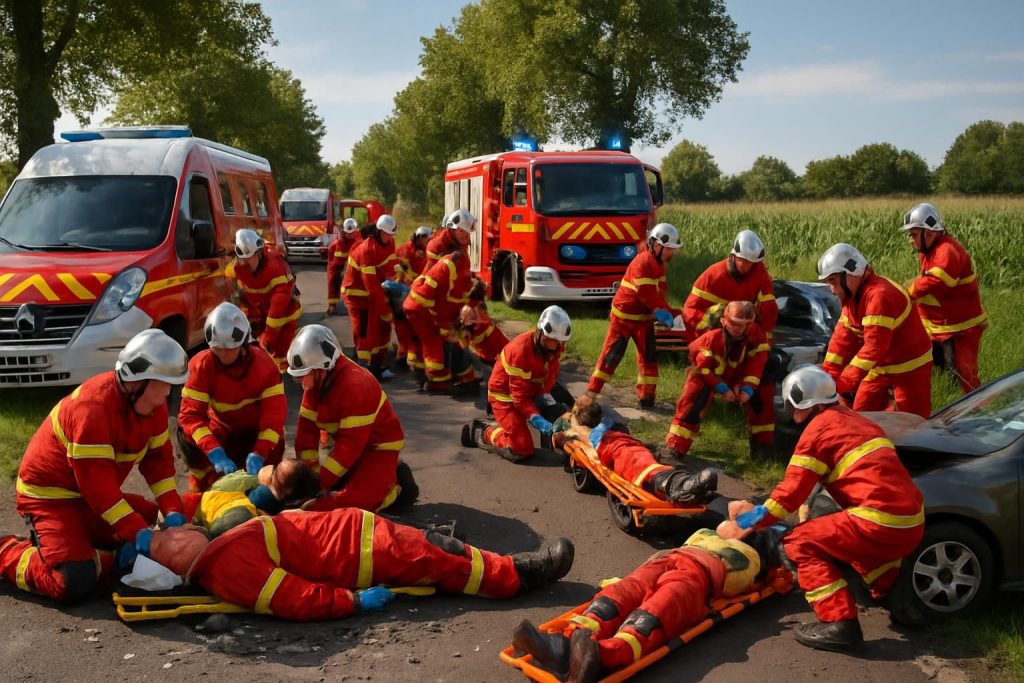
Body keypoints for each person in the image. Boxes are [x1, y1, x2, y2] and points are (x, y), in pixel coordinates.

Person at [721, 365, 924, 652]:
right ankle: (903, 604)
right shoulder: (859, 421)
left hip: (876, 520)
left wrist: (748, 520)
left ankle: (839, 624)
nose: (792, 413)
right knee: (859, 546)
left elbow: (787, 497)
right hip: (911, 521)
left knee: (797, 543)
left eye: (793, 406)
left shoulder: (819, 430)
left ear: (805, 403)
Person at [0, 329, 188, 603]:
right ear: (138, 381)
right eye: (165, 383)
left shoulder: (152, 406)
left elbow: (157, 463)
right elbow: (98, 490)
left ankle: (97, 553)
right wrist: (137, 534)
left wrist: (171, 509)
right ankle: (8, 551)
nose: (170, 392)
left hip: (89, 497)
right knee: (72, 580)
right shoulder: (92, 411)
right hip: (50, 499)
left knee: (150, 517)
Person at [145, 509, 575, 621]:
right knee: (441, 555)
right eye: (167, 535)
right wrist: (351, 601)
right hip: (356, 551)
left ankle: (503, 567)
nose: (175, 528)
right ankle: (520, 576)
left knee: (436, 547)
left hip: (354, 534)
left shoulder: (222, 550)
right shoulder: (227, 568)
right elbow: (294, 599)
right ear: (177, 555)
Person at [510, 522, 788, 682]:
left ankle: (601, 655)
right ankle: (562, 644)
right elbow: (735, 513)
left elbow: (737, 580)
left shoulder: (748, 556)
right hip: (667, 560)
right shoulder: (709, 533)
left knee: (652, 615)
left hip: (699, 578)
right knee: (618, 595)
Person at [287, 324, 408, 512]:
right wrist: (308, 478)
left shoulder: (357, 386)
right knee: (323, 495)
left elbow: (350, 446)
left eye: (303, 376)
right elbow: (305, 435)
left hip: (378, 449)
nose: (300, 383)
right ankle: (382, 477)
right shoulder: (317, 383)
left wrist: (320, 484)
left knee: (352, 505)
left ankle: (394, 488)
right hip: (343, 445)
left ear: (322, 369)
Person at [176, 303, 287, 492]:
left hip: (254, 433)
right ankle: (198, 496)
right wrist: (214, 451)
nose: (223, 354)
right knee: (187, 439)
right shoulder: (201, 366)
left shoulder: (264, 366)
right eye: (217, 349)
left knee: (272, 460)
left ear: (243, 343)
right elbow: (190, 416)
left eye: (229, 349)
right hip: (220, 432)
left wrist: (260, 452)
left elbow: (273, 418)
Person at [818, 243, 933, 417]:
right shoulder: (853, 298)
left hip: (909, 369)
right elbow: (841, 340)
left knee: (911, 421)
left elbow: (874, 347)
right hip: (881, 367)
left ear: (851, 274)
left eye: (833, 281)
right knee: (861, 413)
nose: (832, 290)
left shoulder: (879, 296)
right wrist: (827, 377)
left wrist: (843, 383)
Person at [586, 223, 682, 408]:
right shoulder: (643, 262)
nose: (671, 253)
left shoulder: (659, 265)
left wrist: (671, 312)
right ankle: (590, 395)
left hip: (644, 321)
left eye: (672, 249)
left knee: (649, 360)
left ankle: (647, 399)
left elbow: (660, 294)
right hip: (623, 320)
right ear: (655, 245)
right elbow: (647, 294)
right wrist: (662, 313)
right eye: (668, 248)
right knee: (610, 357)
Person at [557, 395, 718, 505]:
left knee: (647, 456)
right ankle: (675, 485)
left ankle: (681, 482)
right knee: (637, 459)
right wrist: (573, 421)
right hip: (615, 448)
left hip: (625, 442)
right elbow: (577, 432)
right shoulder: (585, 431)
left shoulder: (603, 422)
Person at [667, 301, 775, 459]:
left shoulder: (755, 334)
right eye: (735, 324)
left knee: (763, 398)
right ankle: (677, 445)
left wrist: (747, 388)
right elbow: (704, 369)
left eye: (746, 324)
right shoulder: (710, 339)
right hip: (708, 375)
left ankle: (762, 449)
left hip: (737, 375)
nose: (741, 329)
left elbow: (757, 364)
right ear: (724, 321)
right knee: (694, 397)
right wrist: (723, 388)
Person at [462, 306, 570, 461]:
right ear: (539, 332)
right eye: (548, 341)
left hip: (532, 392)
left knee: (560, 414)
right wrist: (536, 418)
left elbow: (548, 375)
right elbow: (519, 399)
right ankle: (483, 430)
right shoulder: (519, 352)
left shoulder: (555, 345)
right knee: (521, 448)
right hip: (505, 397)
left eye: (557, 342)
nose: (552, 346)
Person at [901, 203, 987, 392]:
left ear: (929, 233)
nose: (911, 240)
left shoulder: (946, 250)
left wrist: (907, 292)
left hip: (960, 329)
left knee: (965, 377)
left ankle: (979, 413)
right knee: (935, 371)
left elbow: (936, 281)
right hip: (939, 325)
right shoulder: (930, 249)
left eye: (914, 234)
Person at [403, 212, 478, 392]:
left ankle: (425, 375)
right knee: (433, 342)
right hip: (422, 305)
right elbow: (435, 292)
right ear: (451, 229)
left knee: (430, 340)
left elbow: (458, 286)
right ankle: (437, 381)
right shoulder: (445, 259)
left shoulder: (456, 253)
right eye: (462, 232)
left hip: (428, 302)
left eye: (468, 233)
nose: (466, 237)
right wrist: (440, 320)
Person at [180, 459, 320, 537]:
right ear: (289, 494)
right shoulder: (249, 521)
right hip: (199, 535)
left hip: (188, 511)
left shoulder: (240, 480)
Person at [682, 229, 777, 342]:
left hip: (742, 326)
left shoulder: (759, 271)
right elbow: (691, 309)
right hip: (716, 328)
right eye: (744, 261)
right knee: (719, 314)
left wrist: (760, 338)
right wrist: (712, 333)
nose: (747, 266)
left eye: (751, 263)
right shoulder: (713, 275)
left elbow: (769, 308)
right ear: (734, 256)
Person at [229, 229, 302, 372]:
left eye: (250, 258)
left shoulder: (276, 268)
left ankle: (284, 376)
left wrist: (268, 334)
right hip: (261, 313)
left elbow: (278, 307)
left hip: (285, 315)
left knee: (281, 349)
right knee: (260, 350)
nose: (246, 263)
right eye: (243, 259)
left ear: (259, 253)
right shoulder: (237, 268)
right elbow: (242, 297)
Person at [342, 214, 400, 378]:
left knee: (382, 329)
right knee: (365, 333)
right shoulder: (366, 249)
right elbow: (371, 284)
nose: (390, 238)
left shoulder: (388, 242)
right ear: (379, 231)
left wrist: (395, 279)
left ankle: (379, 364)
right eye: (388, 234)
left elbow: (390, 265)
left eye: (392, 235)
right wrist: (383, 308)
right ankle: (363, 371)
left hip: (372, 295)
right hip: (357, 296)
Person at [392, 225, 434, 369]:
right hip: (402, 292)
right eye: (427, 239)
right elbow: (401, 272)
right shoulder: (406, 249)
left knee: (412, 328)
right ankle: (402, 358)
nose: (429, 242)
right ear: (420, 237)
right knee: (403, 327)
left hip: (415, 291)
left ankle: (409, 358)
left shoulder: (422, 250)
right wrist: (415, 283)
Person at [326, 217, 363, 317]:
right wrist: (340, 270)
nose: (350, 235)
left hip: (351, 267)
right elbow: (332, 261)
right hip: (336, 268)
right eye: (348, 233)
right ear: (344, 232)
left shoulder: (357, 241)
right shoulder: (336, 244)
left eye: (352, 233)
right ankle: (332, 305)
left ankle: (353, 304)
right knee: (333, 282)